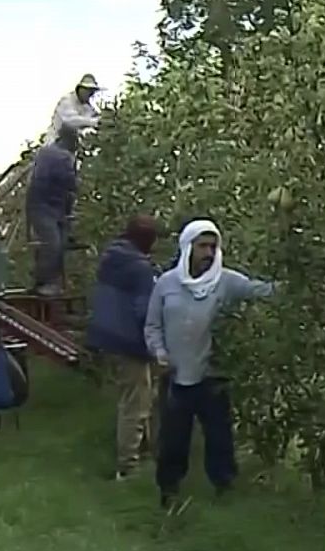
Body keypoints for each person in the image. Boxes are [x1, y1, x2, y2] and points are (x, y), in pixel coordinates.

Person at [144, 219, 278, 513]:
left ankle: (224, 489)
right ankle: (169, 492)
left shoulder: (226, 281)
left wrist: (296, 284)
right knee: (173, 439)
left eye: (212, 246)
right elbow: (153, 325)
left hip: (212, 375)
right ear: (187, 247)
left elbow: (260, 291)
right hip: (176, 375)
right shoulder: (167, 284)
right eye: (202, 246)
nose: (208, 252)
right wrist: (160, 352)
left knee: (219, 437)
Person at [86, 214, 162, 480]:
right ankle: (128, 467)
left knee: (134, 396)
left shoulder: (111, 258)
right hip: (131, 341)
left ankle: (144, 453)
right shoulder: (140, 268)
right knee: (137, 403)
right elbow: (144, 310)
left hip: (107, 336)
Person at [26, 127, 79, 297]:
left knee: (56, 244)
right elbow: (70, 184)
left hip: (51, 206)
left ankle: (48, 282)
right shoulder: (58, 155)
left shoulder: (48, 152)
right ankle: (44, 282)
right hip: (43, 206)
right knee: (53, 244)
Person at [50, 73, 101, 140]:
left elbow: (93, 119)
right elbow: (71, 121)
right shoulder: (67, 101)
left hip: (74, 144)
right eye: (87, 90)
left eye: (91, 91)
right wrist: (95, 121)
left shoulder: (87, 107)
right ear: (80, 89)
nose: (90, 94)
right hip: (56, 142)